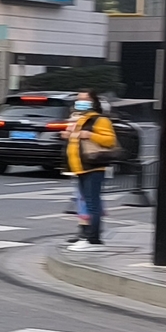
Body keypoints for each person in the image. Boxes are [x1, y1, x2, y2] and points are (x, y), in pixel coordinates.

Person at [62, 90, 119, 250]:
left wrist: (89, 135)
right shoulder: (78, 119)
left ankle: (93, 239)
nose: (81, 102)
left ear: (93, 102)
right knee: (87, 202)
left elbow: (110, 140)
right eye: (79, 99)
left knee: (92, 203)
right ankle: (88, 236)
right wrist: (68, 135)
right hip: (79, 167)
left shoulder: (99, 120)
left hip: (93, 166)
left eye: (85, 99)